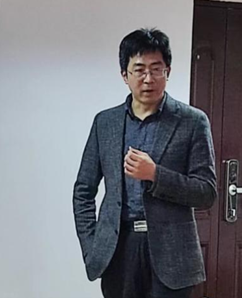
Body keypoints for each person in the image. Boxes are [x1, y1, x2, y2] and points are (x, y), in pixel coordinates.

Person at [73, 28, 217, 298]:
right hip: (119, 249)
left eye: (156, 69)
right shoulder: (105, 123)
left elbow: (206, 192)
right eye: (139, 70)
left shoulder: (193, 122)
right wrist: (91, 247)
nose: (148, 79)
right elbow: (83, 190)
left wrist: (156, 175)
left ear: (168, 71)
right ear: (124, 75)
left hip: (173, 254)